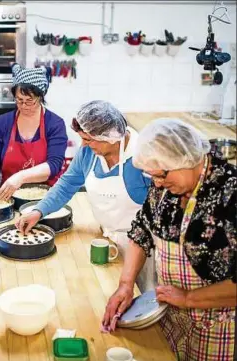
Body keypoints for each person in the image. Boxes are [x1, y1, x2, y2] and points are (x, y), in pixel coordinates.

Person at [102, 118, 236, 361]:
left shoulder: (229, 193)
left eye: (161, 175)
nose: (157, 183)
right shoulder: (163, 185)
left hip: (218, 327)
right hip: (169, 315)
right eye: (152, 176)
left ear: (187, 159)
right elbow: (143, 229)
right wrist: (125, 284)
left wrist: (187, 298)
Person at [16, 100, 153, 289]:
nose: (84, 145)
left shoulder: (143, 157)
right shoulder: (89, 153)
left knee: (143, 300)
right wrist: (39, 211)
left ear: (110, 137)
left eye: (88, 139)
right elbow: (66, 184)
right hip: (106, 240)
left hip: (143, 250)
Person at [0, 63, 67, 200]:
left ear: (41, 96)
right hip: (9, 195)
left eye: (30, 101)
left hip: (47, 198)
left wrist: (20, 177)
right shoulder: (4, 122)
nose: (24, 106)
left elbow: (54, 165)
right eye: (19, 100)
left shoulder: (55, 123)